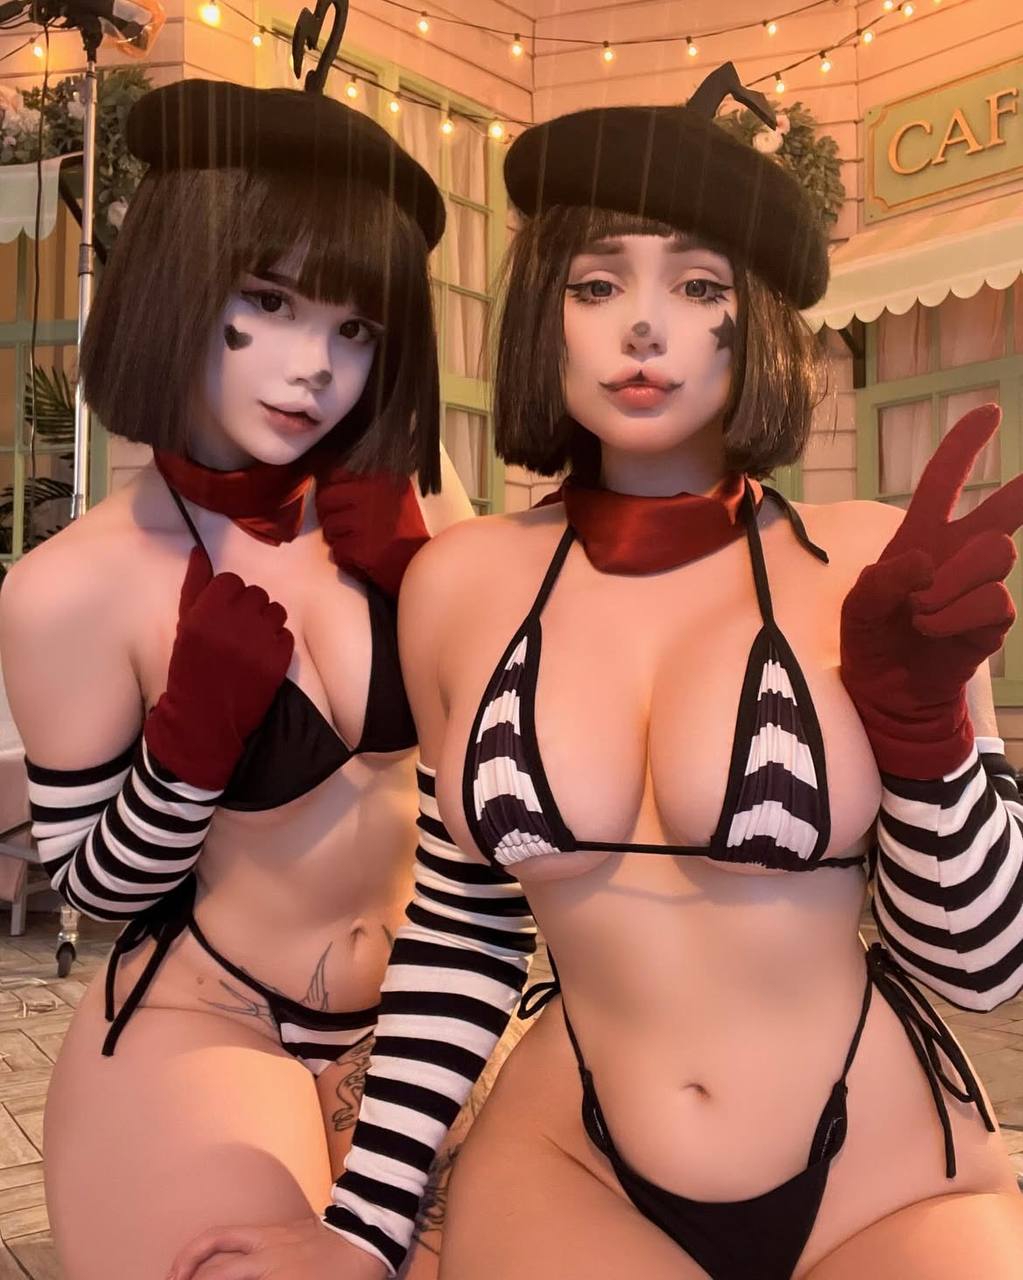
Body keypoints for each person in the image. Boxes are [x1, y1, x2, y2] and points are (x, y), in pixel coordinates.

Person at [169, 63, 1023, 1280]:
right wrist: (361, 1225)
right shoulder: (462, 585)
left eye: (698, 285)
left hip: (883, 1170)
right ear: (546, 314)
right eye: (598, 282)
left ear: (757, 320)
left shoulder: (875, 562)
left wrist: (929, 740)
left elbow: (987, 963)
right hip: (573, 1165)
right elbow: (461, 931)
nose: (643, 325)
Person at [0, 74, 473, 1280]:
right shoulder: (72, 585)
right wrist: (188, 748)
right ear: (177, 282)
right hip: (207, 1014)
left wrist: (444, 598)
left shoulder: (422, 503)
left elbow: (497, 784)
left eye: (357, 329)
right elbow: (95, 882)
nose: (316, 369)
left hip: (418, 1011)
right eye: (267, 302)